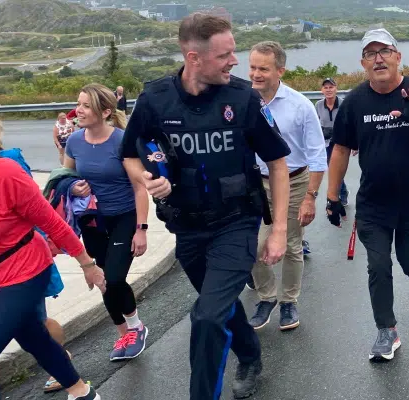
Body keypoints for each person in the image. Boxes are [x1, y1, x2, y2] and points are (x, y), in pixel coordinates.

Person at [119, 13, 291, 400]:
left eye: (234, 52)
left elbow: (278, 164)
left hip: (236, 223)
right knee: (221, 308)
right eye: (224, 55)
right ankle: (249, 354)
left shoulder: (243, 98)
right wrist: (145, 178)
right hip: (188, 228)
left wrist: (278, 229)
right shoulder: (155, 99)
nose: (234, 60)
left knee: (207, 315)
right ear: (193, 57)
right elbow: (129, 154)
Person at [0, 83, 105, 400]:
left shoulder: (4, 172)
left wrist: (88, 264)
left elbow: (51, 222)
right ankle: (82, 393)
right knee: (33, 338)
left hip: (25, 272)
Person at [325, 28, 409, 362]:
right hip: (374, 202)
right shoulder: (355, 102)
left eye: (384, 51)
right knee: (378, 266)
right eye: (370, 53)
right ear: (363, 63)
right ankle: (386, 330)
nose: (378, 58)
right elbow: (340, 149)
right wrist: (331, 196)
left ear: (397, 56)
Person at [63, 83, 150, 362]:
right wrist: (74, 187)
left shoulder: (122, 141)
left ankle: (137, 327)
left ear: (106, 111)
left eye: (87, 105)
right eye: (79, 103)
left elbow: (139, 187)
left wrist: (141, 229)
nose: (80, 110)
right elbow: (64, 178)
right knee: (103, 281)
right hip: (93, 220)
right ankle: (123, 332)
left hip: (124, 216)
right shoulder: (75, 141)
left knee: (114, 277)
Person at [246, 41, 327, 332]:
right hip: (256, 183)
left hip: (294, 182)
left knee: (292, 245)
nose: (256, 74)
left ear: (280, 70)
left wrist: (310, 197)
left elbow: (318, 155)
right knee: (252, 246)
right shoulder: (243, 102)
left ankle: (289, 301)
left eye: (263, 69)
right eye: (252, 67)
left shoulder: (300, 105)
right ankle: (266, 297)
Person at [316, 77, 349, 207]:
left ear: (336, 89)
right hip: (326, 142)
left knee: (337, 169)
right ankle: (342, 192)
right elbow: (316, 124)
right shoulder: (318, 105)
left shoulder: (343, 104)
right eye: (326, 87)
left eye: (331, 87)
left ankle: (341, 194)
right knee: (333, 169)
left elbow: (349, 123)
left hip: (341, 142)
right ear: (322, 90)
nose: (329, 90)